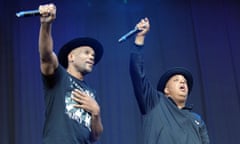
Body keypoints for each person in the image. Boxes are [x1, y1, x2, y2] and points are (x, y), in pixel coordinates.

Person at [129, 17, 210, 144]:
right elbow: (138, 76)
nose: (182, 82)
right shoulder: (155, 103)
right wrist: (139, 39)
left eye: (184, 81)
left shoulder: (197, 120)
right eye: (176, 80)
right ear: (166, 90)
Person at [38, 3, 103, 144]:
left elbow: (95, 136)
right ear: (71, 57)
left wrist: (96, 112)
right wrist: (46, 25)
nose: (92, 57)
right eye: (86, 53)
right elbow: (46, 55)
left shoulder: (91, 92)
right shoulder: (59, 77)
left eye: (93, 55)